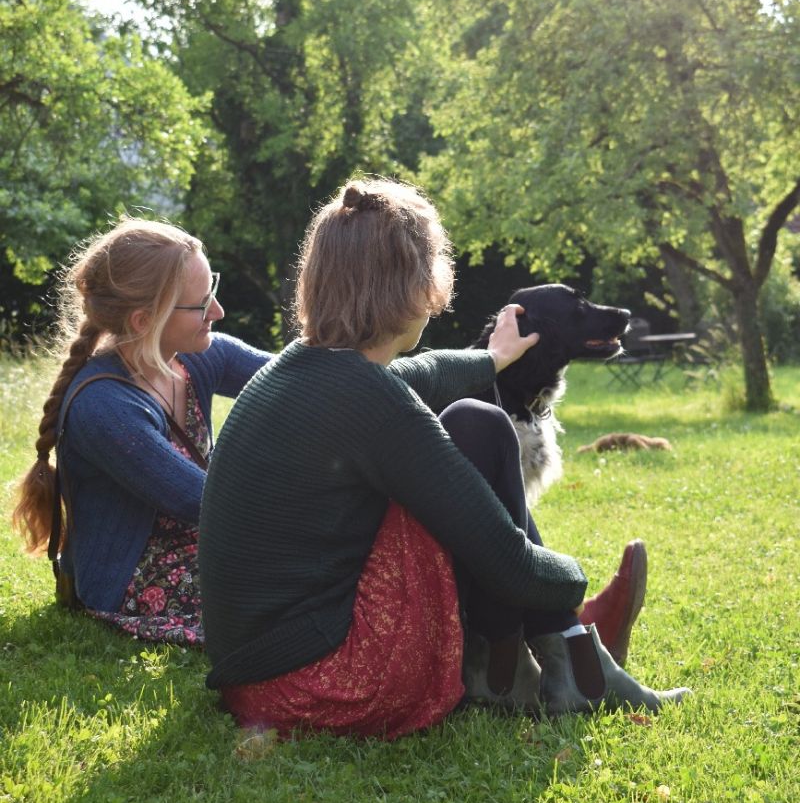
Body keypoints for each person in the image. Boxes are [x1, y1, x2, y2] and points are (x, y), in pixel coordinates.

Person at [199, 179, 689, 737]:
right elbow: (509, 562)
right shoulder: (371, 401)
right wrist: (572, 582)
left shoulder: (298, 368)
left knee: (473, 422)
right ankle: (572, 656)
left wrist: (493, 359)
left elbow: (421, 373)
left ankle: (533, 663)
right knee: (479, 433)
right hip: (324, 682)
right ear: (417, 286)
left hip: (255, 676)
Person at [12, 218, 272, 646]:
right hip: (134, 574)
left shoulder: (193, 358)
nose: (218, 312)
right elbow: (204, 501)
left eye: (213, 289)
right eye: (201, 303)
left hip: (198, 539)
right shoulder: (105, 408)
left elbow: (292, 380)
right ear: (143, 320)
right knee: (287, 586)